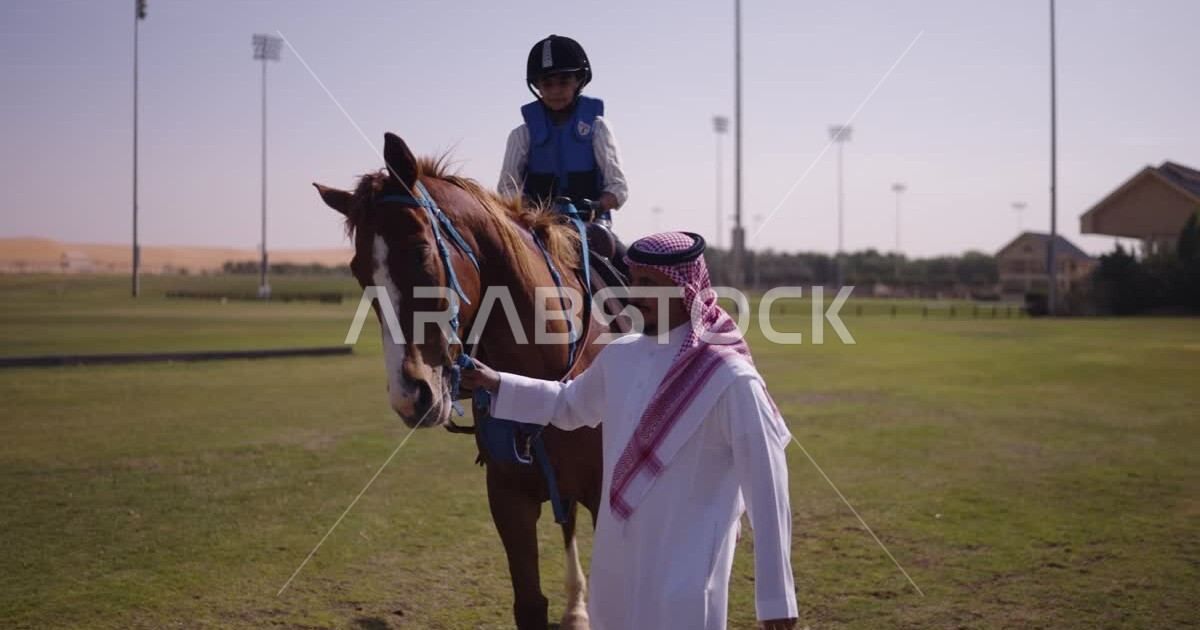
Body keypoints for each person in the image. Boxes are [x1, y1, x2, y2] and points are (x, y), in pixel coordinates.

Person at [462, 232, 799, 630]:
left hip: (688, 564)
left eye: (649, 285)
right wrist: (496, 382)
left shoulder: (728, 377)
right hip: (616, 556)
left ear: (684, 289)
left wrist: (776, 596)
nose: (635, 294)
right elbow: (568, 405)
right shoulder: (621, 355)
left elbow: (767, 485)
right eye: (634, 282)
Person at [498, 34, 630, 277]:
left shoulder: (598, 128)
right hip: (536, 231)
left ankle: (637, 314)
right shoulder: (521, 135)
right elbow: (507, 188)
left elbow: (619, 188)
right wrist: (530, 212)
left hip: (590, 231)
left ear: (579, 80)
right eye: (547, 84)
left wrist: (596, 206)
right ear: (537, 86)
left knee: (630, 273)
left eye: (564, 81)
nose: (556, 90)